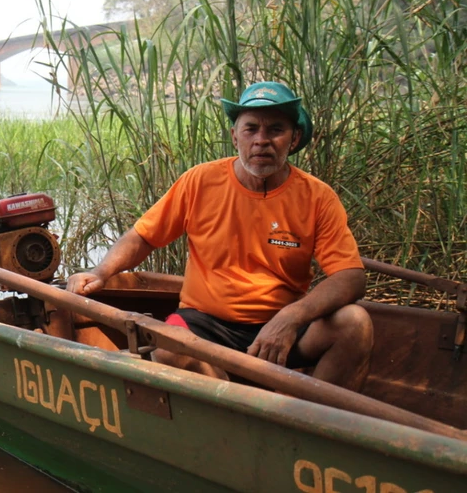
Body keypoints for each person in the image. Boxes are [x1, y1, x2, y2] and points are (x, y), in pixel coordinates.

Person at [66, 81, 373, 391]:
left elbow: (350, 277)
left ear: (293, 139)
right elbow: (144, 236)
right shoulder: (201, 181)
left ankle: (309, 424)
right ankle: (239, 409)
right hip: (205, 323)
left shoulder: (317, 197)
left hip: (283, 325)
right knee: (170, 346)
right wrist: (100, 271)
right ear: (234, 136)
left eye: (275, 130)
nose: (261, 141)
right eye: (251, 129)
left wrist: (291, 317)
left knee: (355, 324)